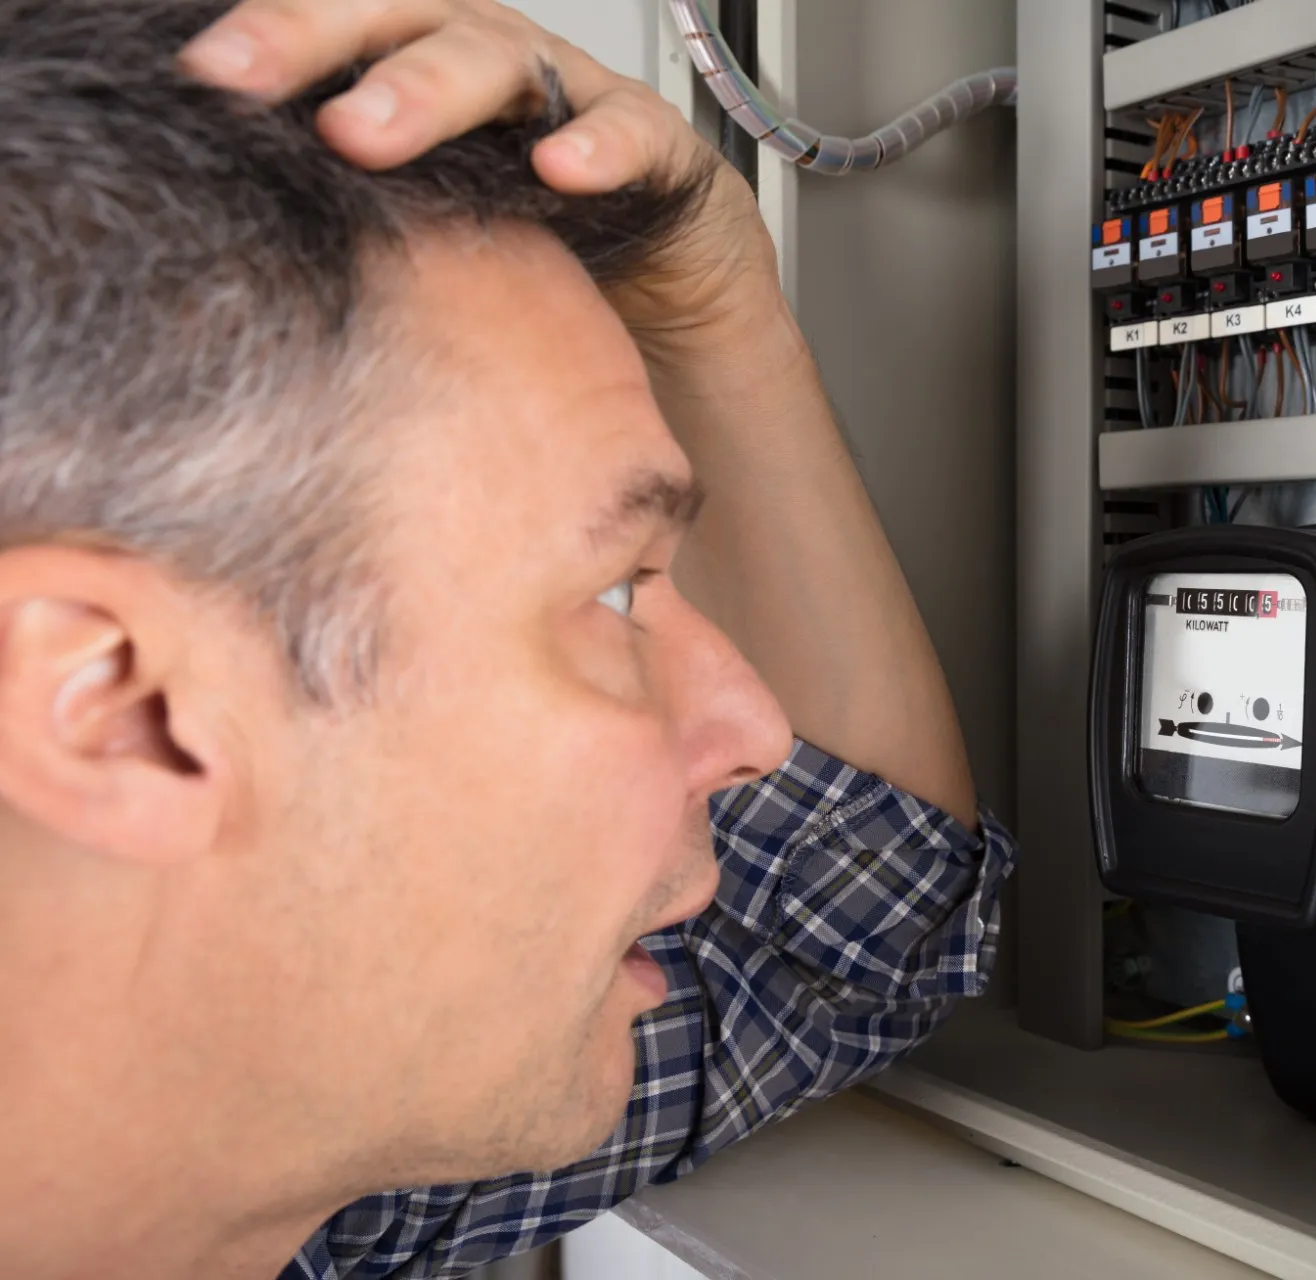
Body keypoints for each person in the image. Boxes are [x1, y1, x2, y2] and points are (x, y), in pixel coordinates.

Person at [0, 2, 1014, 1277]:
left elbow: (850, 931)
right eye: (612, 595)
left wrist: (716, 310)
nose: (756, 731)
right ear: (112, 704)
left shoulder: (269, 1172)